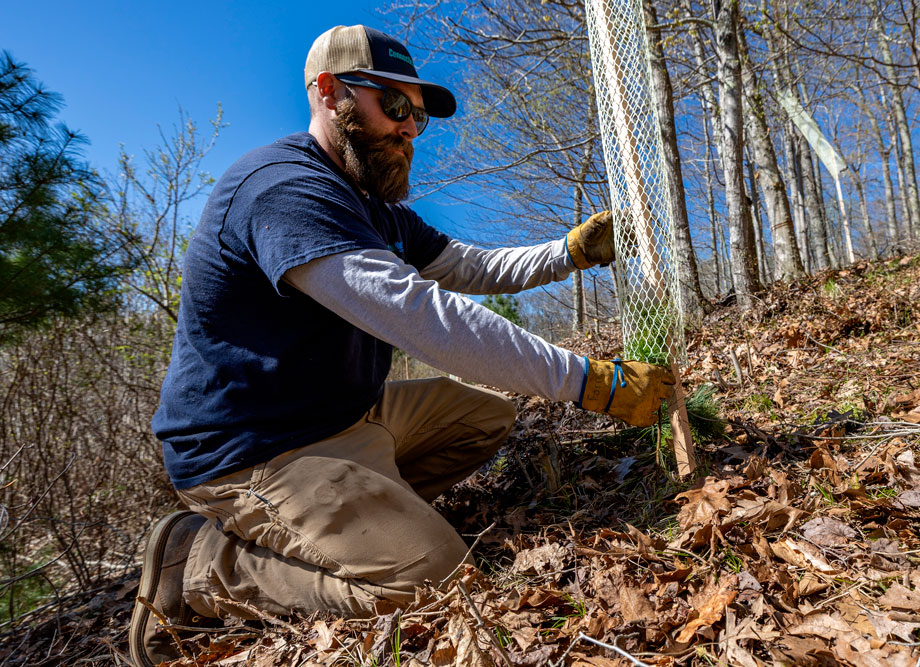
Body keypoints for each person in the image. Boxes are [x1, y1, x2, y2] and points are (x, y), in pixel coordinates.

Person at [128, 24, 676, 666]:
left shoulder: (374, 206)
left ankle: (363, 520)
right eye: (393, 106)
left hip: (344, 417)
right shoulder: (284, 190)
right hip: (256, 451)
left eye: (418, 114)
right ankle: (196, 563)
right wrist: (590, 381)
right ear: (329, 93)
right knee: (430, 580)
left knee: (487, 417)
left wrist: (569, 252)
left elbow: (466, 267)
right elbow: (419, 316)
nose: (410, 128)